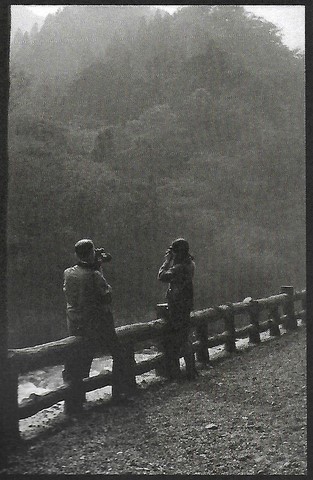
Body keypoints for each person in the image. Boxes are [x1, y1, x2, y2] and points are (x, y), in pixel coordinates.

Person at [63, 238, 130, 414]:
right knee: (119, 353)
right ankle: (119, 393)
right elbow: (107, 295)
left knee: (81, 360)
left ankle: (75, 402)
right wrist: (99, 268)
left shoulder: (68, 273)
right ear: (92, 253)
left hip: (75, 323)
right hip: (97, 324)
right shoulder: (94, 275)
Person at [157, 238, 198, 380]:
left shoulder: (180, 267)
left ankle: (179, 373)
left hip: (177, 305)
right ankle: (191, 370)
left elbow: (161, 276)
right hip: (186, 303)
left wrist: (167, 261)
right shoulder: (190, 263)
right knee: (185, 337)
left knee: (178, 339)